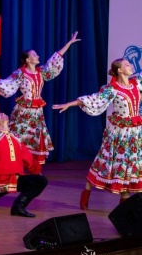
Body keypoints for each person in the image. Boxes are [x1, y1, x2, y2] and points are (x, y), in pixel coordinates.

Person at [0, 32, 80, 166]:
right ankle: (13, 165)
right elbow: (7, 83)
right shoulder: (20, 73)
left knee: (36, 137)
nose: (38, 56)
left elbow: (54, 60)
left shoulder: (41, 72)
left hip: (37, 112)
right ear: (28, 60)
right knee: (19, 136)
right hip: (23, 111)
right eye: (34, 55)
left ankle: (34, 169)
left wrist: (69, 43)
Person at [53, 58, 142, 210]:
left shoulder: (137, 83)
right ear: (119, 70)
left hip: (135, 132)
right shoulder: (112, 89)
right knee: (105, 162)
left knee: (129, 166)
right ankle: (86, 192)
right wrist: (69, 104)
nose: (131, 66)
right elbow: (92, 99)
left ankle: (124, 207)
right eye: (127, 64)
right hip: (119, 134)